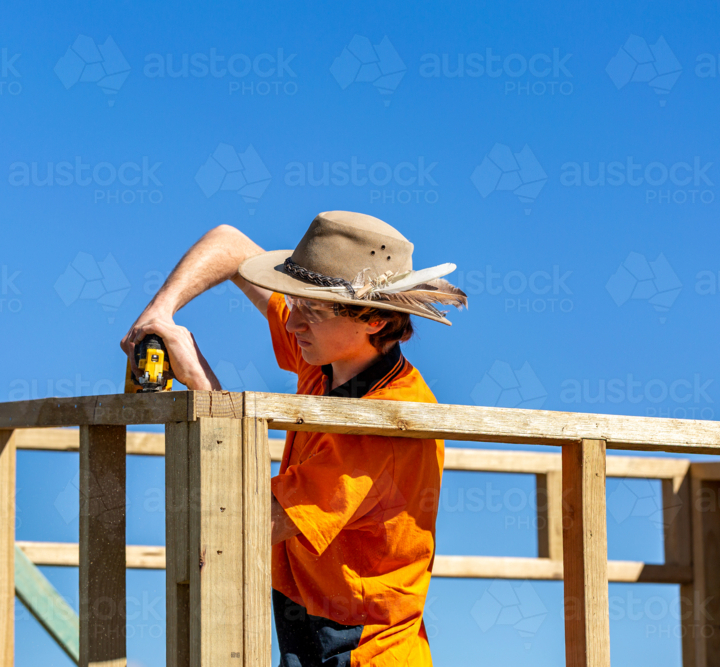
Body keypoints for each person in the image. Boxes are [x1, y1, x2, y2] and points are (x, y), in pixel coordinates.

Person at [120, 211, 466, 666]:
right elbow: (230, 243)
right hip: (312, 621)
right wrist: (160, 310)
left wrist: (202, 385)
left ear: (374, 321)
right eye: (294, 301)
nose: (293, 322)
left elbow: (244, 526)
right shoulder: (330, 358)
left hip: (362, 647)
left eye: (314, 310)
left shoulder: (386, 423)